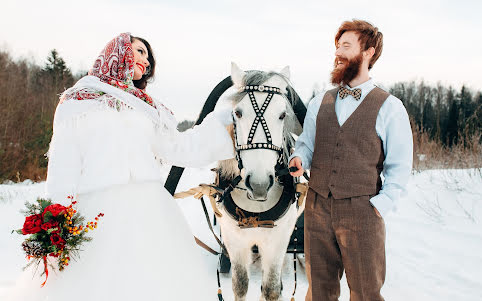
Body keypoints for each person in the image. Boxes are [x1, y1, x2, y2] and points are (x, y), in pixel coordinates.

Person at [7, 33, 234, 300]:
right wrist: (56, 217)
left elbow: (180, 148)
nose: (146, 61)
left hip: (151, 210)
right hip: (97, 213)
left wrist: (224, 124)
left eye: (148, 58)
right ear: (118, 51)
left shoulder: (146, 108)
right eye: (139, 51)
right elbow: (62, 164)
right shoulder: (77, 101)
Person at [289, 20, 413, 300]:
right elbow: (307, 144)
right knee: (319, 290)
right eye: (337, 46)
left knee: (366, 292)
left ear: (368, 52)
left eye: (346, 45)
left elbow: (400, 166)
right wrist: (299, 158)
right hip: (317, 206)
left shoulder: (390, 106)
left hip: (362, 211)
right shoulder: (320, 100)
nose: (338, 52)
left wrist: (380, 205)